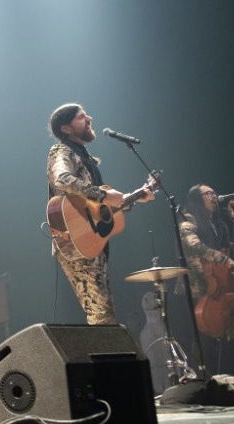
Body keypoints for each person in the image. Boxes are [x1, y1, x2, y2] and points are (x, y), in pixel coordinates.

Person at [46, 103, 154, 325]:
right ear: (66, 129)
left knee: (104, 313)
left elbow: (97, 210)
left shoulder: (86, 157)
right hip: (75, 241)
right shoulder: (62, 151)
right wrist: (102, 195)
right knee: (102, 315)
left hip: (93, 240)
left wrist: (134, 197)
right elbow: (62, 179)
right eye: (80, 117)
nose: (89, 118)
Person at [177, 183, 234, 375]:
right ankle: (203, 379)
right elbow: (194, 246)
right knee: (202, 338)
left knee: (223, 335)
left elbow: (219, 248)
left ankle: (227, 376)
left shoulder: (218, 223)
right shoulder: (188, 219)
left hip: (218, 285)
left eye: (213, 192)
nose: (213, 195)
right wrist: (225, 259)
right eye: (207, 193)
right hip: (197, 284)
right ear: (197, 199)